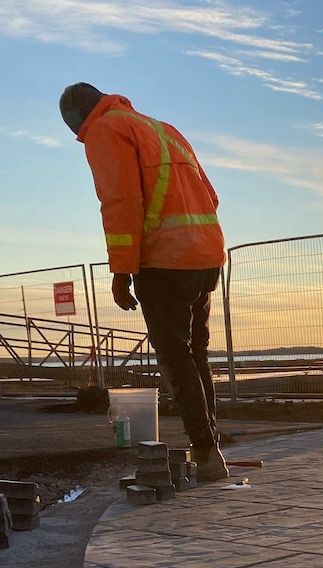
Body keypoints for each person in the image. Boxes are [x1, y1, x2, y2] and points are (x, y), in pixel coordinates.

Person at [60, 82, 230, 480]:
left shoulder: (105, 130)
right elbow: (210, 196)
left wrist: (122, 271)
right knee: (196, 354)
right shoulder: (164, 129)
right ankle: (210, 449)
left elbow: (121, 202)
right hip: (205, 254)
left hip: (164, 260)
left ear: (76, 119)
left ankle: (207, 454)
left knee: (176, 356)